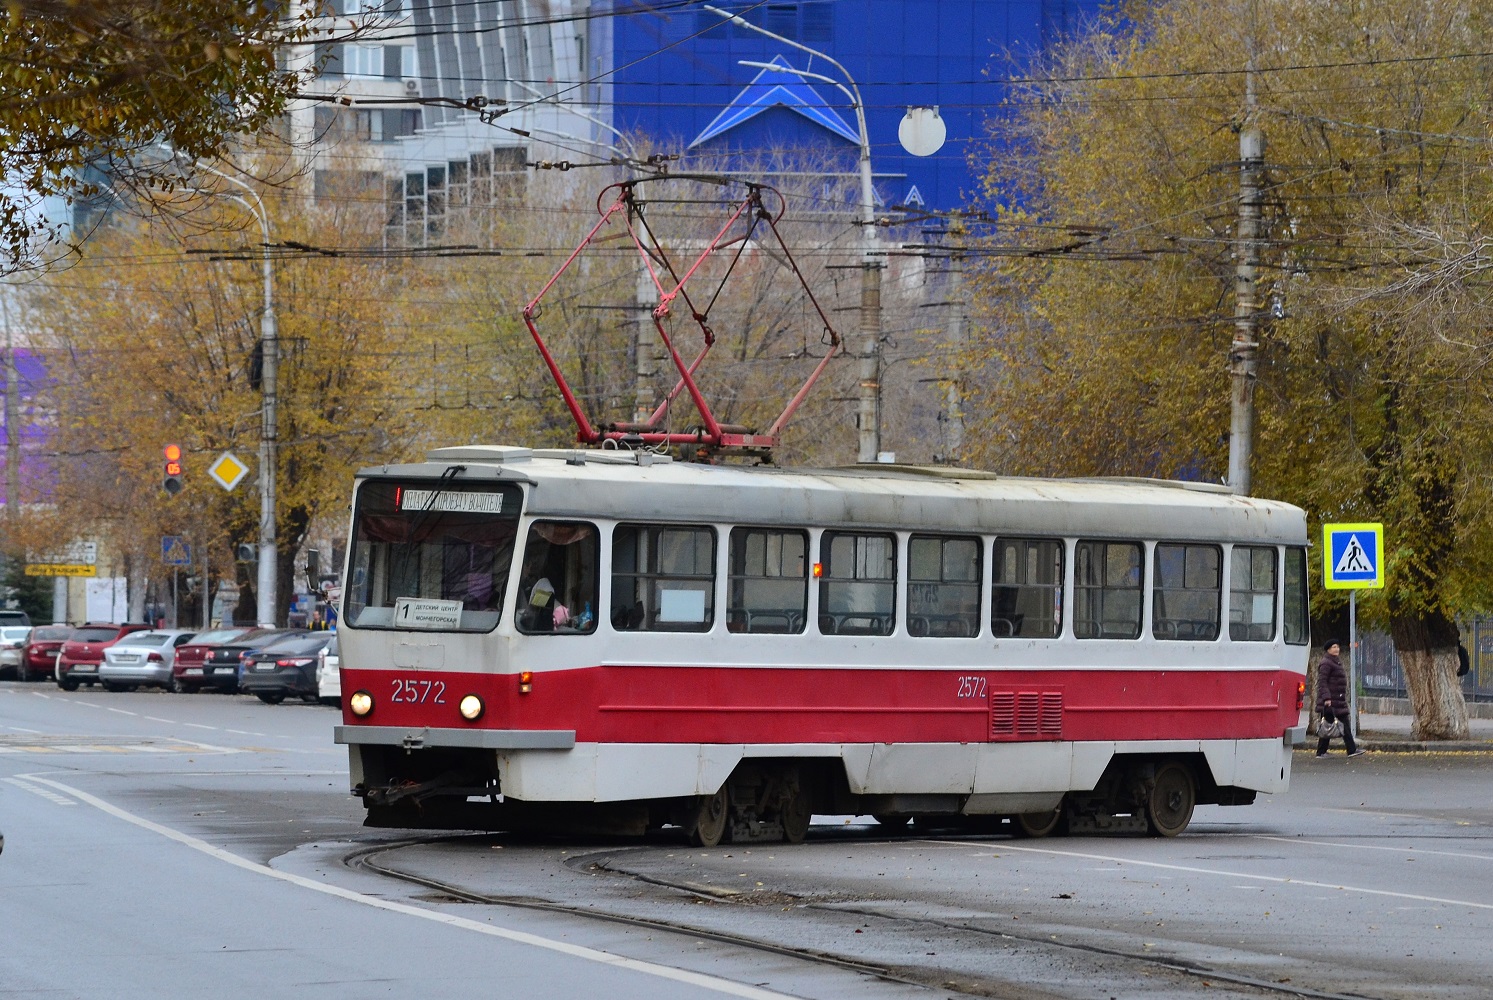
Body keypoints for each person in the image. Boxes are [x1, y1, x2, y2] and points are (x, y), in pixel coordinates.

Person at [1316, 640, 1363, 758]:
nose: (1336, 649)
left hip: (1337, 700)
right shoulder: (1326, 663)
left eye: (1337, 647)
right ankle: (1350, 750)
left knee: (1330, 724)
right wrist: (1326, 698)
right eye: (1333, 647)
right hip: (1331, 701)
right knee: (1335, 724)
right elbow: (1322, 682)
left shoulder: (1335, 662)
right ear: (1328, 649)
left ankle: (1322, 751)